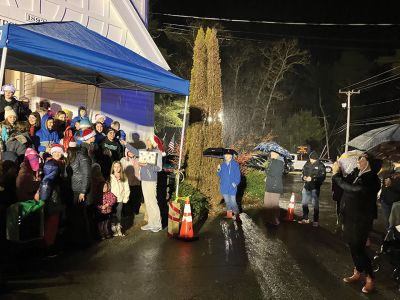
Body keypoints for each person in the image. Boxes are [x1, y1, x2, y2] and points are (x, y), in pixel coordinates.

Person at [332, 153, 381, 294]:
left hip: (362, 219)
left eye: (362, 159)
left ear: (369, 163)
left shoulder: (372, 178)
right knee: (351, 245)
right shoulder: (356, 173)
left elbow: (355, 190)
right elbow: (345, 183)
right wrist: (339, 170)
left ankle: (370, 279)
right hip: (349, 217)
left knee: (359, 248)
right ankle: (358, 271)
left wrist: (336, 176)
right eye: (359, 158)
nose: (359, 161)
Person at [124, 137, 162, 232]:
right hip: (144, 179)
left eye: (149, 141)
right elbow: (136, 152)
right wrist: (126, 144)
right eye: (147, 141)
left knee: (152, 201)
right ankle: (151, 222)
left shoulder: (157, 152)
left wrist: (147, 165)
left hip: (151, 180)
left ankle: (157, 224)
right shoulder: (144, 151)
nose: (147, 142)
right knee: (148, 202)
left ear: (153, 143)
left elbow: (159, 168)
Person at [298, 151, 326, 227]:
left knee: (315, 205)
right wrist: (303, 177)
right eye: (310, 159)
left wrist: (313, 178)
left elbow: (322, 177)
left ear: (316, 159)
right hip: (306, 187)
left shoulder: (321, 166)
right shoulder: (307, 163)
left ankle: (316, 220)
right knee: (304, 203)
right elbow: (303, 172)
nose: (311, 160)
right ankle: (305, 218)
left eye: (312, 159)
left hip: (315, 188)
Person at [217, 149, 241, 221]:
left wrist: (236, 183)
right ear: (224, 156)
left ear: (232, 156)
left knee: (233, 201)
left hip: (232, 187)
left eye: (230, 155)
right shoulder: (222, 165)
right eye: (227, 155)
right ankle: (229, 215)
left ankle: (237, 215)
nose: (228, 156)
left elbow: (238, 175)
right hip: (224, 186)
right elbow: (219, 175)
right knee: (227, 201)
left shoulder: (235, 164)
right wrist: (218, 169)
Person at [120, 144, 142, 215]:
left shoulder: (138, 160)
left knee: (135, 197)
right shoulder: (123, 160)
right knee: (127, 197)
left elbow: (141, 170)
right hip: (126, 183)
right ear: (126, 152)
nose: (131, 152)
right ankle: (126, 212)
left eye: (132, 151)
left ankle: (135, 210)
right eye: (129, 151)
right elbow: (121, 170)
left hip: (136, 182)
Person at [264, 151, 284, 226]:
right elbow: (270, 172)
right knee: (267, 203)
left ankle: (275, 219)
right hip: (269, 185)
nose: (271, 154)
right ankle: (269, 218)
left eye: (272, 153)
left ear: (277, 154)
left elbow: (274, 173)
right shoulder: (272, 161)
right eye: (271, 153)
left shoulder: (279, 162)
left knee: (274, 204)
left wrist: (266, 170)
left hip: (275, 186)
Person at [110, 160, 130, 237]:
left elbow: (127, 188)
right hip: (111, 200)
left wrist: (125, 198)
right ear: (113, 167)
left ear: (121, 167)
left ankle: (119, 228)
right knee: (112, 214)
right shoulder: (111, 177)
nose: (117, 168)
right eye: (115, 166)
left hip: (120, 199)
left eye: (118, 166)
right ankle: (113, 229)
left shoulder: (123, 176)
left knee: (118, 214)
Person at [380, 161, 400, 229]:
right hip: (385, 202)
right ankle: (389, 235)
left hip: (396, 204)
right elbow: (384, 177)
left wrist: (391, 184)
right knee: (388, 222)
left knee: (396, 222)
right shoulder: (390, 171)